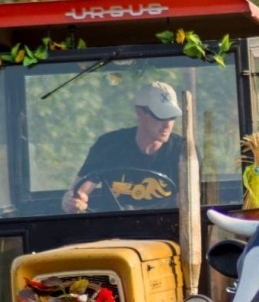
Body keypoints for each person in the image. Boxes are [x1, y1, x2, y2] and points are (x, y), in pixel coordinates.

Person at [61, 81, 185, 212]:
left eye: (172, 117)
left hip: (166, 229)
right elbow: (79, 193)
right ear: (140, 112)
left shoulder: (183, 152)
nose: (168, 125)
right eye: (161, 116)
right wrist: (72, 202)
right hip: (114, 228)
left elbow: (189, 201)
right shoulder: (109, 145)